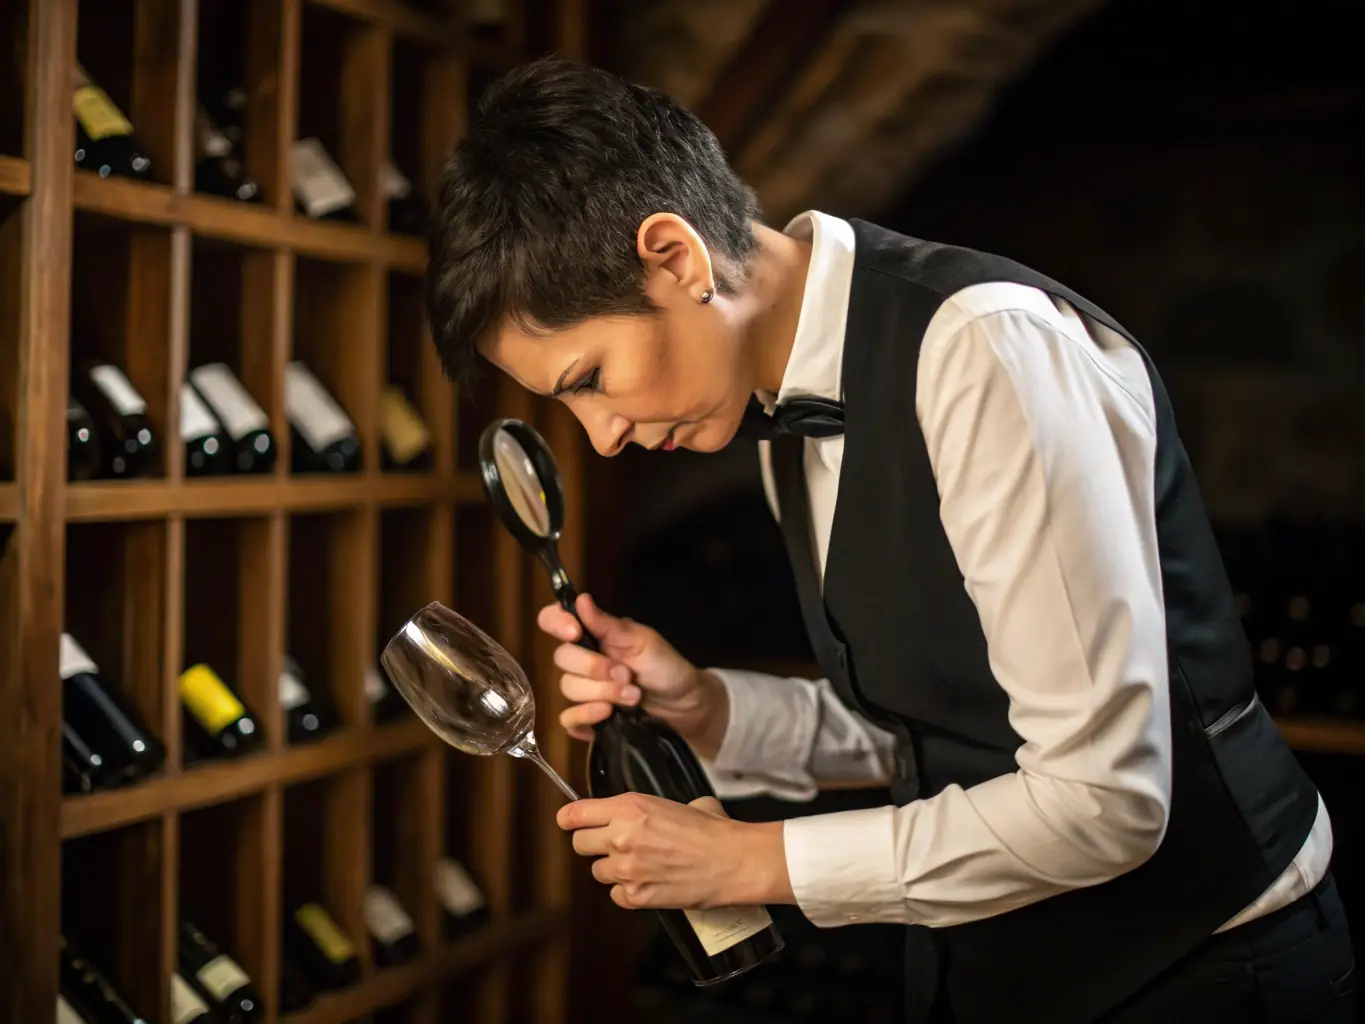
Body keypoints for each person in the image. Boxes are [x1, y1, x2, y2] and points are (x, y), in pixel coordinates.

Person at [426, 57, 1357, 1023]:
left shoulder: (982, 351)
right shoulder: (769, 397)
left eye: (589, 379)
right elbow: (942, 729)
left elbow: (1103, 800)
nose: (602, 435)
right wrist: (709, 709)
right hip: (1001, 974)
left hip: (1209, 972)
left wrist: (753, 859)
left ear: (676, 258)